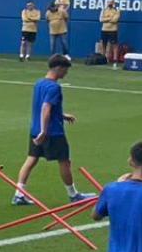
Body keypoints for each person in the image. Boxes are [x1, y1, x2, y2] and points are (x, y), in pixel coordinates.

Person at [12, 55, 95, 207]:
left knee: (31, 159)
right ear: (58, 68)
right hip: (52, 132)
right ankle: (73, 195)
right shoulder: (54, 87)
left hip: (35, 129)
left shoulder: (39, 83)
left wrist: (62, 115)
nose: (66, 73)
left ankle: (19, 194)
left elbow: (42, 106)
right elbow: (45, 108)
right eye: (65, 69)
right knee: (64, 161)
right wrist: (45, 131)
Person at [98, 0, 121, 66]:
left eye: (111, 2)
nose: (109, 3)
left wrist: (106, 18)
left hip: (113, 30)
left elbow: (115, 20)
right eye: (108, 2)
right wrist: (110, 18)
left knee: (114, 45)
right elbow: (101, 19)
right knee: (103, 44)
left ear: (113, 3)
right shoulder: (104, 10)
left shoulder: (117, 10)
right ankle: (103, 59)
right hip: (104, 29)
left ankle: (115, 60)